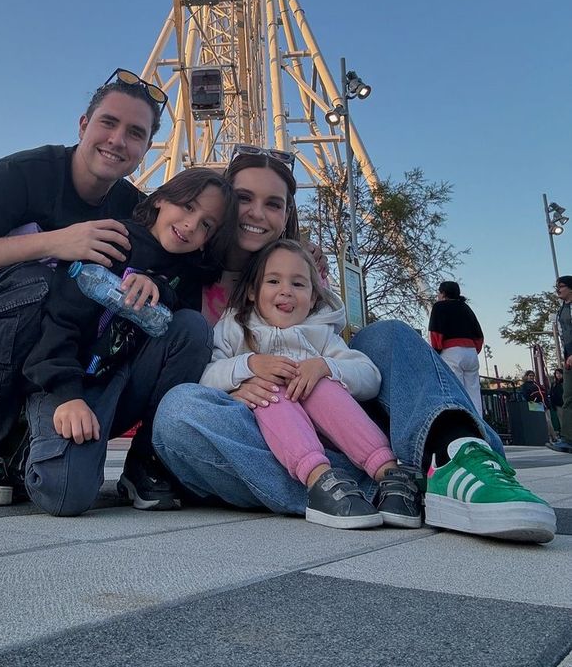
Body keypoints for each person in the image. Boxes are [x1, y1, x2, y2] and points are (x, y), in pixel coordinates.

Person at [153, 147, 557, 544]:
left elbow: (347, 360)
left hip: (336, 418)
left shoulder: (308, 281)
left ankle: (454, 453)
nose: (257, 213)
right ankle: (388, 484)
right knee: (178, 415)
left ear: (286, 215)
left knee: (389, 334)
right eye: (243, 199)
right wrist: (241, 380)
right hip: (252, 423)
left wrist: (327, 367)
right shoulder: (188, 270)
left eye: (273, 204)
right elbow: (200, 371)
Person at [0, 68, 212, 510]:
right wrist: (52, 242)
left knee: (147, 316)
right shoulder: (26, 173)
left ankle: (31, 435)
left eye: (135, 133)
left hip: (47, 352)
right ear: (83, 125)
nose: (117, 140)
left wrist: (292, 257)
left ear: (146, 150)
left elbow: (189, 259)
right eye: (108, 123)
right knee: (37, 279)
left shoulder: (130, 206)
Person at [19, 167, 235, 514]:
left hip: (122, 381)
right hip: (70, 383)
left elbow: (182, 315)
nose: (192, 225)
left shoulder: (189, 272)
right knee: (63, 495)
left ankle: (146, 460)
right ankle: (21, 441)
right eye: (188, 206)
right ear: (161, 199)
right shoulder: (113, 241)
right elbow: (59, 321)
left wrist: (160, 289)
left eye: (207, 224)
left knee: (193, 327)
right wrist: (67, 395)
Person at [202, 238, 421, 529]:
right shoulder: (235, 328)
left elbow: (369, 376)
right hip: (268, 428)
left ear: (314, 297)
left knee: (321, 384)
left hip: (330, 431)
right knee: (271, 391)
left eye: (298, 284)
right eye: (273, 281)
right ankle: (319, 480)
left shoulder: (320, 335)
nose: (286, 291)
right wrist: (249, 365)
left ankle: (389, 473)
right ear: (253, 291)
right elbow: (205, 376)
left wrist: (324, 366)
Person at [428, 281, 484, 415]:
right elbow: (479, 334)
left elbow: (435, 333)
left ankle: (461, 426)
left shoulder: (439, 307)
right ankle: (480, 426)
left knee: (455, 392)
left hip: (451, 352)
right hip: (471, 353)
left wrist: (436, 352)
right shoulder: (466, 308)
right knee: (474, 393)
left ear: (443, 293)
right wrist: (473, 349)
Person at [547, 275, 572, 453]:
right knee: (568, 397)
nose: (558, 290)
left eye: (561, 286)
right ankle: (568, 438)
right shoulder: (561, 310)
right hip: (569, 358)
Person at [549, 368, 564, 435]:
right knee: (561, 421)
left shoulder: (566, 382)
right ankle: (564, 435)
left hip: (567, 405)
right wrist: (553, 405)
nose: (558, 375)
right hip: (558, 406)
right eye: (557, 373)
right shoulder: (554, 384)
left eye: (560, 373)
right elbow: (551, 394)